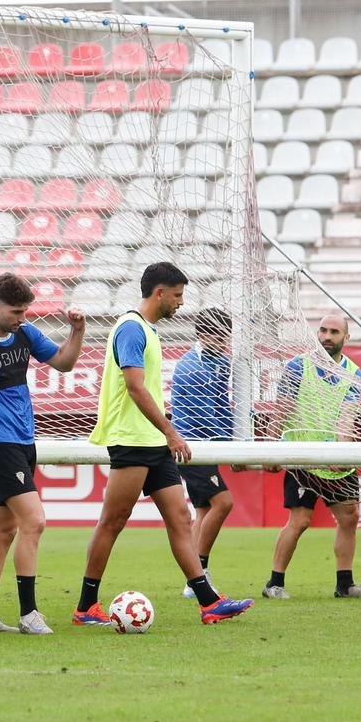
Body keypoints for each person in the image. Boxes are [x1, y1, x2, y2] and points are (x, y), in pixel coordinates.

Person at [75, 263, 253, 627]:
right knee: (113, 521)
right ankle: (85, 606)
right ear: (159, 293)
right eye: (177, 295)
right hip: (132, 439)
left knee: (181, 518)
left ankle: (208, 602)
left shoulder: (148, 330)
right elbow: (134, 387)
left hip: (152, 441)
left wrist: (164, 435)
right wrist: (171, 431)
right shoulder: (131, 328)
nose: (181, 302)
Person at [0, 273, 85, 634]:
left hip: (24, 443)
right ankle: (29, 613)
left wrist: (77, 331)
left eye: (25, 311)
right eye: (16, 312)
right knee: (35, 522)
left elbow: (64, 363)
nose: (22, 318)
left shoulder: (26, 334)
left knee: (2, 532)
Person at [262, 314, 361, 599]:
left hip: (335, 461)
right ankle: (274, 584)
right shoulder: (297, 367)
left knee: (350, 516)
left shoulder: (355, 374)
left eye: (334, 332)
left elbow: (345, 421)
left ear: (346, 338)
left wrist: (341, 453)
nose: (327, 336)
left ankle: (345, 585)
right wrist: (269, 449)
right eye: (323, 330)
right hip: (302, 458)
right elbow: (281, 410)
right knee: (300, 520)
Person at [170, 307, 235, 599]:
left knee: (205, 510)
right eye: (218, 336)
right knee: (223, 502)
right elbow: (206, 417)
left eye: (225, 336)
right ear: (202, 335)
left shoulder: (220, 360)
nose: (223, 342)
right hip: (190, 447)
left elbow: (222, 407)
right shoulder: (193, 368)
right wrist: (236, 448)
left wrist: (237, 439)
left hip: (205, 445)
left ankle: (192, 583)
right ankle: (201, 574)